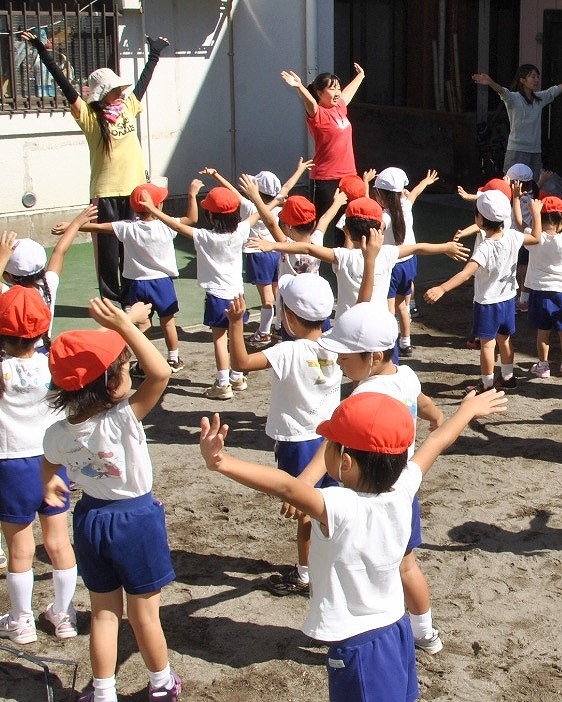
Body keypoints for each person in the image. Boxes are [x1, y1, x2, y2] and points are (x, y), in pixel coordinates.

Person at [199, 388, 508, 702]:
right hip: (396, 628)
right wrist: (467, 410)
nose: (326, 448)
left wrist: (221, 462)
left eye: (329, 444)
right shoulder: (404, 486)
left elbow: (287, 487)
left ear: (345, 461)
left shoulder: (338, 505)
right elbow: (437, 441)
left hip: (359, 646)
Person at [42, 297, 180, 702]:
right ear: (110, 384)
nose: (129, 371)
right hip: (135, 520)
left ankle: (102, 692)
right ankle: (161, 684)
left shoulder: (57, 432)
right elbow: (160, 371)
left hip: (90, 519)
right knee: (144, 614)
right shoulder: (124, 418)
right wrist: (125, 324)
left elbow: (48, 465)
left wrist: (50, 482)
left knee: (104, 612)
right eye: (122, 368)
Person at [318, 303, 444, 653]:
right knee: (407, 564)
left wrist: (301, 486)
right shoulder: (404, 374)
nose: (339, 360)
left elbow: (331, 449)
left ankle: (366, 628)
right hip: (402, 488)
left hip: (366, 495)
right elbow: (422, 400)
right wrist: (436, 417)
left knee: (364, 569)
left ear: (373, 355)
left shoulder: (363, 397)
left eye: (346, 354)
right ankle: (426, 632)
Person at [22, 30, 170, 305]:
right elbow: (65, 85)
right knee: (107, 251)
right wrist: (42, 51)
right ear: (103, 93)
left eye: (120, 89)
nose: (121, 93)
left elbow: (142, 84)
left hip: (135, 192)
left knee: (132, 249)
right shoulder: (89, 116)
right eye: (115, 90)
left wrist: (155, 54)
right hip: (105, 192)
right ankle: (112, 300)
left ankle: (131, 299)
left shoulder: (128, 107)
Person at [225, 274, 342, 597]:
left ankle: (305, 574)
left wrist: (236, 323)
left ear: (288, 316)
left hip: (297, 441)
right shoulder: (337, 345)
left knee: (303, 510)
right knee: (331, 504)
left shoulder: (286, 352)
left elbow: (241, 362)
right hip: (333, 439)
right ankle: (333, 562)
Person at [53, 182, 198, 375]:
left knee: (142, 323)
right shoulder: (168, 226)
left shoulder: (126, 227)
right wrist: (192, 194)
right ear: (158, 205)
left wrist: (71, 226)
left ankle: (144, 362)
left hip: (136, 284)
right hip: (162, 283)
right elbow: (192, 218)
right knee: (168, 322)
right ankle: (173, 359)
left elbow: (96, 227)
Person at [140, 182, 268, 399]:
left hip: (217, 297)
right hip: (238, 295)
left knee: (219, 339)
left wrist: (152, 209)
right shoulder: (242, 230)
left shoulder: (205, 237)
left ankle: (223, 383)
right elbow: (257, 214)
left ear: (210, 216)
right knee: (235, 337)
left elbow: (177, 226)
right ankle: (237, 377)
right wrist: (265, 196)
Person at [0, 286, 77, 645]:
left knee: (20, 549)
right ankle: (64, 615)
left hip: (10, 464)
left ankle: (22, 620)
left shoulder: (2, 371)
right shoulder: (53, 363)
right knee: (59, 541)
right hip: (52, 460)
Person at [248, 195, 469, 320]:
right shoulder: (388, 253)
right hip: (380, 322)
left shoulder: (342, 256)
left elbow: (307, 249)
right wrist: (446, 246)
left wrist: (272, 244)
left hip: (349, 324)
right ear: (379, 228)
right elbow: (418, 247)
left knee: (357, 379)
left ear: (346, 230)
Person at [424, 191, 542, 392]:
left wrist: (442, 288)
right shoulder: (513, 236)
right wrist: (536, 213)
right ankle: (508, 377)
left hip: (487, 303)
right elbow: (536, 238)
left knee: (488, 345)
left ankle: (487, 386)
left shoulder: (485, 248)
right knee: (504, 340)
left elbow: (466, 274)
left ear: (479, 219)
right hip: (508, 299)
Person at [199, 158, 314, 345]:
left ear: (257, 191)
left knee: (266, 298)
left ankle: (264, 332)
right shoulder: (279, 204)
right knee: (278, 293)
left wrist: (216, 175)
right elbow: (286, 186)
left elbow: (233, 193)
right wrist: (300, 169)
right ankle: (278, 326)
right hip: (279, 251)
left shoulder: (251, 207)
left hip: (258, 253)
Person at [1, 205, 98, 342]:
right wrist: (76, 223)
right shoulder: (48, 285)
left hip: (14, 358)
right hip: (43, 351)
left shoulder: (9, 293)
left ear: (8, 276)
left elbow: (59, 251)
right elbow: (60, 251)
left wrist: (3, 256)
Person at [281, 64, 365, 222]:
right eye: (332, 89)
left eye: (338, 88)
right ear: (320, 93)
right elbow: (310, 102)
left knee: (347, 222)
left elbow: (347, 93)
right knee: (320, 221)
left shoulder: (339, 107)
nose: (337, 92)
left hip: (349, 176)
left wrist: (360, 76)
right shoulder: (317, 114)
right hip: (325, 178)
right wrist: (299, 86)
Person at [373, 167, 439, 357]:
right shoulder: (406, 205)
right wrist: (425, 182)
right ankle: (406, 342)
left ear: (380, 195)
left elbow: (379, 227)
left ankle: (389, 345)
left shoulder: (384, 216)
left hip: (391, 266)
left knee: (389, 309)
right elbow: (415, 192)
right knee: (403, 306)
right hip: (409, 263)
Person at [472, 66, 562, 181]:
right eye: (533, 77)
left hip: (535, 151)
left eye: (538, 77)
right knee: (512, 185)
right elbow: (503, 91)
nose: (536, 80)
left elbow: (553, 91)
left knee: (532, 186)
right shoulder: (514, 98)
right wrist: (490, 82)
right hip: (517, 150)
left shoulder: (539, 98)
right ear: (522, 80)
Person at [523, 195, 562, 378]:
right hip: (561, 292)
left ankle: (543, 366)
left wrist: (520, 202)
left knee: (543, 332)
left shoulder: (534, 238)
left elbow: (518, 222)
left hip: (540, 292)